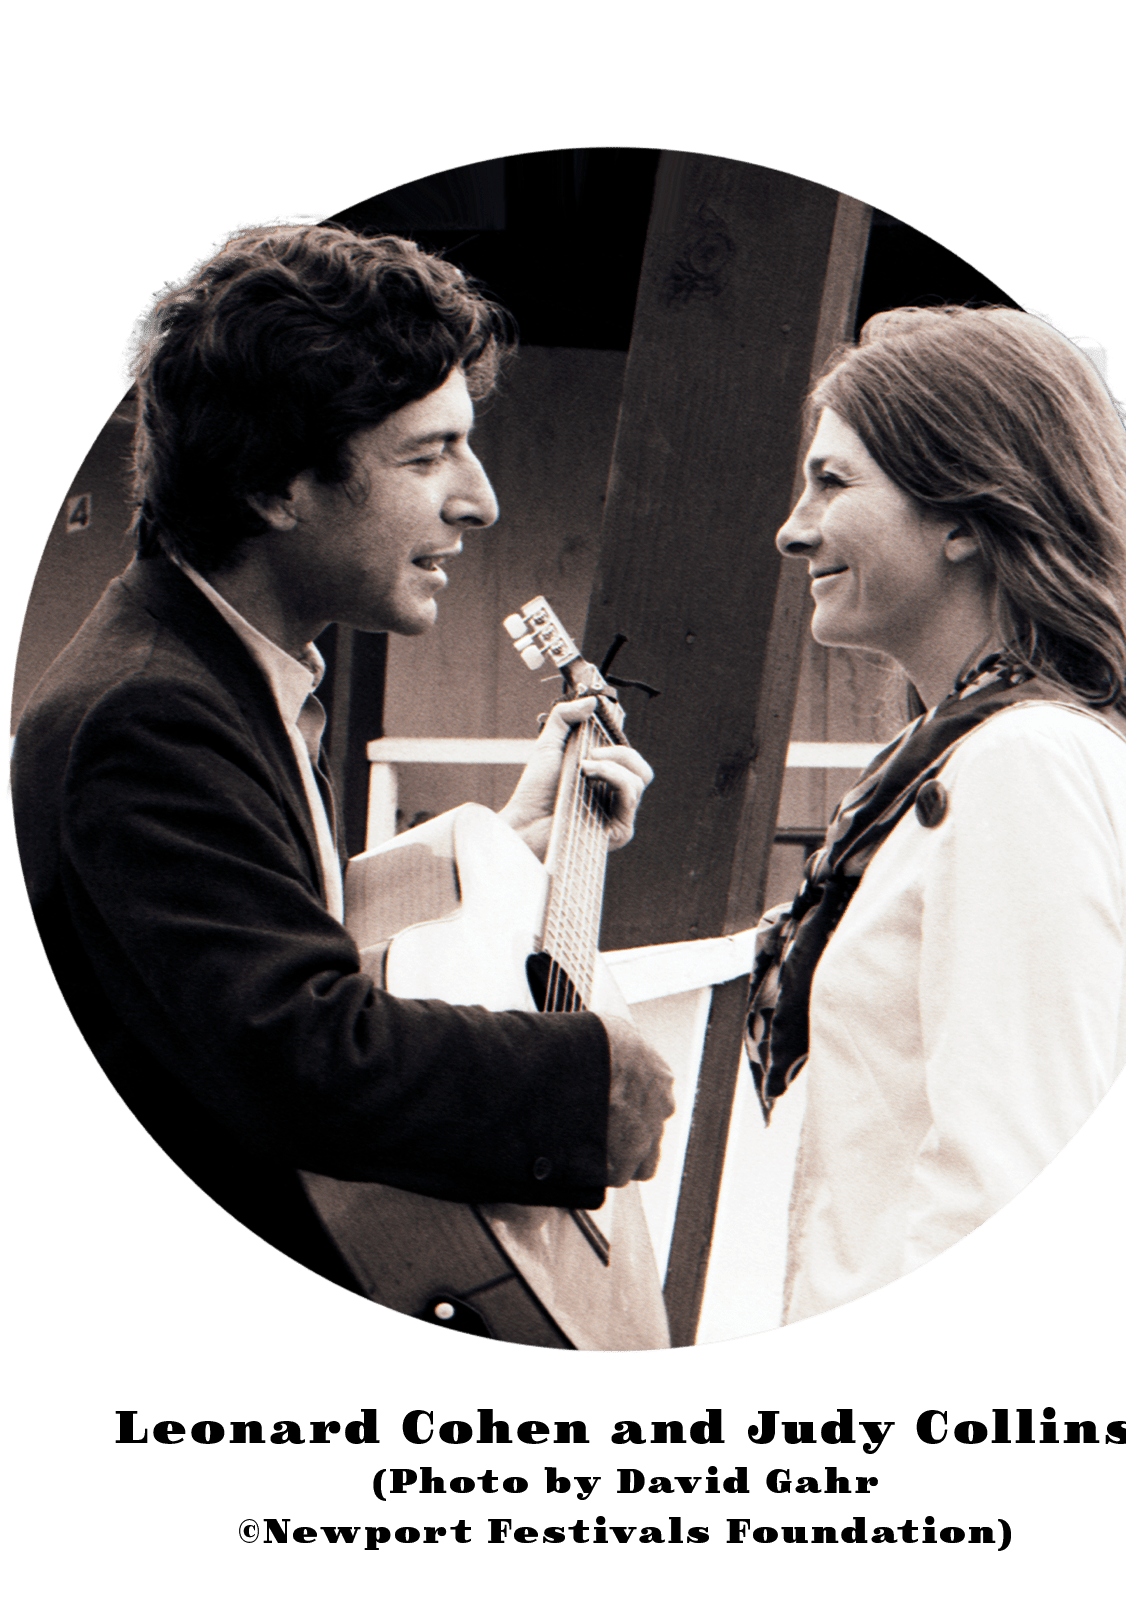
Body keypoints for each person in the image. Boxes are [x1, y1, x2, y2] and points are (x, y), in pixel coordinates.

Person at [12, 220, 674, 1324]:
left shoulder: (220, 676)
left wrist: (507, 847)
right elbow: (294, 1052)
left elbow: (235, 937)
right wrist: (582, 1079)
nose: (479, 500)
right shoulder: (148, 713)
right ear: (275, 485)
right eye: (427, 456)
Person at [746, 306, 1126, 1324]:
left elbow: (1000, 1185)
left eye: (832, 482)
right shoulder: (988, 754)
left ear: (964, 515)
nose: (792, 527)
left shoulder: (1025, 762)